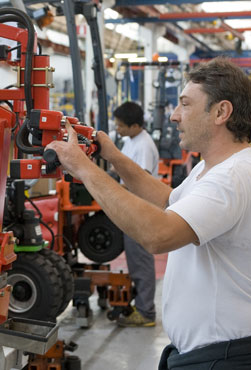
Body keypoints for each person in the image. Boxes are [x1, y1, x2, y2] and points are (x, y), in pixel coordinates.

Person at [46, 58, 251, 369]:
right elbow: (167, 200)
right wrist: (113, 156)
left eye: (185, 105)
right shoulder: (212, 167)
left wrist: (83, 168)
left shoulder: (233, 177)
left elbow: (157, 235)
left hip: (230, 359)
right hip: (212, 355)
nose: (174, 116)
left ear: (220, 112)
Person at [111, 101, 159, 327]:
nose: (117, 129)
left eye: (121, 126)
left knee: (141, 260)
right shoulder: (130, 141)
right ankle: (139, 304)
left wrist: (110, 189)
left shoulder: (144, 146)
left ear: (136, 125)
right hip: (129, 206)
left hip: (139, 208)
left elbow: (141, 181)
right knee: (133, 258)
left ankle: (146, 312)